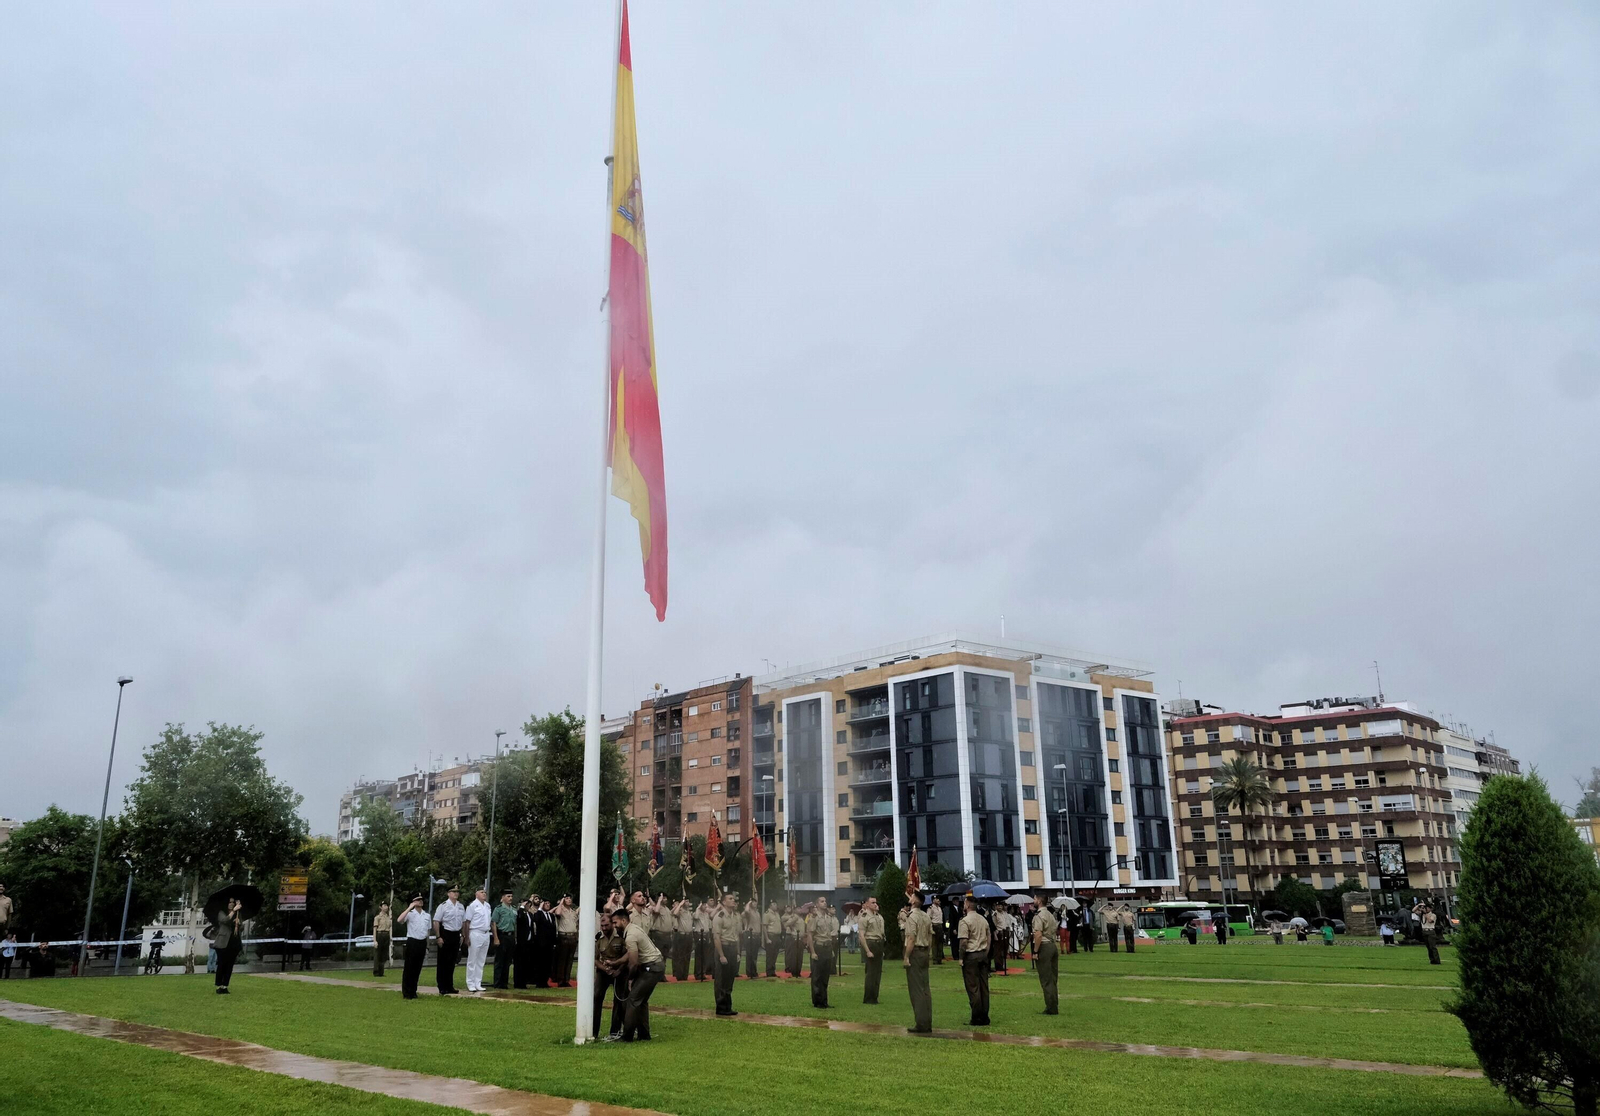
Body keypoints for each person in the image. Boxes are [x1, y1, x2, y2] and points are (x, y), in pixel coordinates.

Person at [608, 907, 664, 1042]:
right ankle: (644, 1035)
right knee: (641, 1001)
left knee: (632, 1000)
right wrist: (616, 963)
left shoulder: (630, 936)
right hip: (656, 966)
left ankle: (627, 1036)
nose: (614, 926)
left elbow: (633, 963)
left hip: (651, 968)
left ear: (623, 920)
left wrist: (630, 979)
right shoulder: (633, 929)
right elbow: (629, 955)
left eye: (615, 923)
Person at [592, 912, 628, 1038]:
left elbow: (626, 955)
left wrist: (618, 970)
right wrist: (605, 969)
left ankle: (615, 1031)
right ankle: (593, 1031)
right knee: (596, 997)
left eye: (606, 925)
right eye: (602, 926)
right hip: (604, 970)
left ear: (612, 924)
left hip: (619, 970)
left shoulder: (621, 935)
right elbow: (595, 958)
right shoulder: (598, 937)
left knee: (619, 1000)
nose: (604, 928)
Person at [956, 896, 991, 1026]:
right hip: (982, 954)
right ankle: (985, 1015)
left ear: (968, 905)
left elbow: (964, 941)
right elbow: (989, 937)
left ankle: (976, 1017)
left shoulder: (965, 921)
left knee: (973, 987)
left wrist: (961, 957)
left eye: (965, 902)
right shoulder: (983, 919)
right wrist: (985, 952)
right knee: (984, 987)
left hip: (971, 955)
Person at [903, 896, 933, 1033]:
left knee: (916, 989)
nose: (910, 897)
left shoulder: (912, 916)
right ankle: (927, 1021)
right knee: (925, 988)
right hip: (925, 951)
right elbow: (930, 936)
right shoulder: (926, 916)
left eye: (912, 897)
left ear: (914, 902)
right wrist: (928, 951)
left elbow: (911, 938)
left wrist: (906, 957)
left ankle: (921, 1023)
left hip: (915, 952)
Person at [806, 899, 840, 1009]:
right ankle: (817, 1001)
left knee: (825, 976)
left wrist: (831, 950)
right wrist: (813, 952)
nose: (824, 903)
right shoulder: (814, 918)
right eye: (821, 901)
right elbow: (810, 935)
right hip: (819, 947)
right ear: (816, 904)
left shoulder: (828, 917)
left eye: (825, 901)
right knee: (817, 976)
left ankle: (824, 1000)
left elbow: (830, 935)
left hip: (827, 947)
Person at [711, 893, 741, 1016]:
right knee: (721, 979)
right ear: (724, 902)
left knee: (730, 978)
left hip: (733, 948)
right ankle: (721, 1007)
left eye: (733, 899)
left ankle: (728, 1006)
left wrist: (738, 952)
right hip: (723, 947)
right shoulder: (719, 916)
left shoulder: (734, 916)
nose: (733, 901)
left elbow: (737, 936)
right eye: (730, 899)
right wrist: (721, 955)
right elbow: (716, 937)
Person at [395, 895, 430, 999]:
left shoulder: (426, 915)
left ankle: (413, 991)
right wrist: (409, 908)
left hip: (422, 942)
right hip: (412, 941)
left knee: (417, 968)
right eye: (417, 900)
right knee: (409, 968)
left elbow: (427, 931)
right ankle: (406, 992)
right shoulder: (410, 914)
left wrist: (427, 945)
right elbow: (399, 920)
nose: (420, 902)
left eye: (421, 900)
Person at [432, 885, 465, 994]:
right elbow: (436, 921)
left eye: (457, 892)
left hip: (456, 934)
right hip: (446, 933)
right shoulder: (443, 906)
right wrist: (438, 936)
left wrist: (463, 935)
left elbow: (463, 922)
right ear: (448, 893)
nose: (456, 893)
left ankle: (449, 985)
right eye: (453, 891)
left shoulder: (460, 906)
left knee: (452, 962)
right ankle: (442, 986)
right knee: (443, 961)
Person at [1033, 896, 1060, 1015]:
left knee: (1046, 979)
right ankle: (1054, 1003)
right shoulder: (1050, 914)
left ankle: (1051, 1007)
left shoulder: (1039, 916)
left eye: (1034, 899)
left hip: (1044, 946)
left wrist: (1035, 951)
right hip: (1053, 945)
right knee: (1053, 978)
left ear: (1039, 900)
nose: (1033, 901)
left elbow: (1038, 935)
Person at [462, 887, 492, 993]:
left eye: (485, 892)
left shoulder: (487, 906)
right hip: (475, 932)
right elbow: (467, 922)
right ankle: (470, 983)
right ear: (476, 894)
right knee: (472, 959)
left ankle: (478, 983)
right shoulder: (472, 906)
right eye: (481, 892)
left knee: (481, 960)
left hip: (485, 933)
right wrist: (466, 936)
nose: (484, 894)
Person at [212, 897, 244, 994]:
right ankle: (219, 985)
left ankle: (225, 986)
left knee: (229, 965)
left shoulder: (238, 914)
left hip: (233, 942)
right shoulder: (221, 912)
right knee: (222, 964)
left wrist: (239, 923)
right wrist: (233, 911)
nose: (231, 904)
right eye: (229, 902)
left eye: (233, 902)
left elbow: (241, 928)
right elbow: (225, 920)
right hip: (223, 943)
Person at [858, 896, 885, 1004]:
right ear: (867, 904)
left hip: (879, 943)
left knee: (877, 973)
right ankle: (868, 997)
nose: (875, 904)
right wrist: (867, 950)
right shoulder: (864, 917)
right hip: (870, 943)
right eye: (872, 902)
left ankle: (875, 997)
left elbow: (881, 933)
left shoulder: (878, 916)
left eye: (876, 902)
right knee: (871, 973)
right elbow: (861, 935)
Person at [491, 890, 518, 990]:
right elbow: (494, 923)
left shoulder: (513, 909)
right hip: (502, 935)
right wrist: (496, 938)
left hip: (510, 936)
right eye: (508, 896)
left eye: (511, 896)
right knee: (500, 960)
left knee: (507, 961)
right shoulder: (499, 909)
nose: (510, 898)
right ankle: (497, 983)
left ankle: (504, 983)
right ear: (503, 897)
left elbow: (515, 924)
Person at [552, 895, 579, 987]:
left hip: (573, 936)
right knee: (562, 959)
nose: (569, 900)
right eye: (567, 898)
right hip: (564, 936)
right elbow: (558, 913)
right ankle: (560, 980)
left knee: (570, 959)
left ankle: (566, 979)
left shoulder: (572, 911)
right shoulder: (561, 909)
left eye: (570, 898)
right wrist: (561, 902)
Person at [671, 899, 693, 982]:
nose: (687, 903)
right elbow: (674, 913)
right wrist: (680, 904)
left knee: (687, 956)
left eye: (688, 901)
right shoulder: (680, 911)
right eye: (686, 901)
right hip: (682, 935)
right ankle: (680, 975)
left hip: (689, 935)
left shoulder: (689, 912)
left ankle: (685, 975)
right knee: (681, 956)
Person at [741, 899, 762, 979]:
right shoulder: (748, 913)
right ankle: (750, 972)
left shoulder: (757, 913)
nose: (755, 904)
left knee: (755, 955)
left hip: (756, 935)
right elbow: (746, 911)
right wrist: (749, 902)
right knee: (750, 955)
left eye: (755, 902)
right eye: (753, 902)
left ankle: (754, 971)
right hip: (750, 934)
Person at [693, 899, 713, 981]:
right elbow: (696, 917)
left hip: (706, 934)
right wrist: (698, 908)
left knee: (705, 955)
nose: (705, 906)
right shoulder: (696, 913)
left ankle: (703, 972)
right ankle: (698, 973)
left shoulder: (706, 914)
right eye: (703, 905)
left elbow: (708, 925)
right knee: (699, 956)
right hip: (699, 934)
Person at [782, 904, 803, 977]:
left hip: (801, 939)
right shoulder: (794, 917)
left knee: (800, 956)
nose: (799, 910)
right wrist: (792, 929)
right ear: (795, 910)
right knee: (794, 956)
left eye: (800, 908)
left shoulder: (800, 917)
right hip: (795, 938)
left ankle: (798, 971)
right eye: (798, 909)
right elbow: (786, 924)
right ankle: (794, 971)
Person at [372, 902, 393, 977]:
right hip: (380, 934)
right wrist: (374, 940)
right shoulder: (377, 917)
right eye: (384, 905)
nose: (386, 907)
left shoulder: (388, 917)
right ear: (380, 907)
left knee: (384, 954)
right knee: (378, 954)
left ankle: (381, 971)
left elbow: (389, 928)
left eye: (387, 905)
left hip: (386, 935)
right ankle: (376, 971)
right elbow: (375, 929)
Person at [762, 900, 782, 977]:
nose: (776, 905)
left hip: (777, 936)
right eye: (774, 904)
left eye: (776, 904)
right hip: (771, 936)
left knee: (775, 955)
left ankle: (773, 970)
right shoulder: (767, 914)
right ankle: (769, 971)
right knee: (770, 955)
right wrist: (766, 938)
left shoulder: (777, 914)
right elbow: (764, 927)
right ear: (770, 905)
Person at [928, 897, 945, 964]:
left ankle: (939, 959)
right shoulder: (931, 908)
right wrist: (931, 928)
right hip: (934, 925)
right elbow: (928, 918)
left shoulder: (939, 908)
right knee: (934, 943)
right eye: (937, 899)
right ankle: (935, 959)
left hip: (940, 925)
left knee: (940, 943)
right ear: (933, 900)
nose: (939, 901)